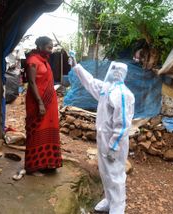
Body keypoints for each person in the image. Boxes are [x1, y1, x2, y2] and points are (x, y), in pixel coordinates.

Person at [71, 60, 135, 213]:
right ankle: (109, 199)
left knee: (116, 175)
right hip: (103, 138)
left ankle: (118, 207)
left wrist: (114, 145)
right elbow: (91, 82)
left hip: (114, 141)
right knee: (105, 172)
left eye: (114, 70)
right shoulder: (106, 88)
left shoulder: (123, 94)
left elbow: (123, 124)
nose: (111, 72)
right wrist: (76, 66)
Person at [24, 36, 62, 175]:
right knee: (36, 132)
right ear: (40, 46)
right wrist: (40, 103)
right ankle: (33, 166)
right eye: (48, 48)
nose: (51, 51)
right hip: (37, 102)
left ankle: (48, 163)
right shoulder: (32, 61)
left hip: (49, 103)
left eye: (52, 48)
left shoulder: (44, 61)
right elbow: (32, 83)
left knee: (49, 129)